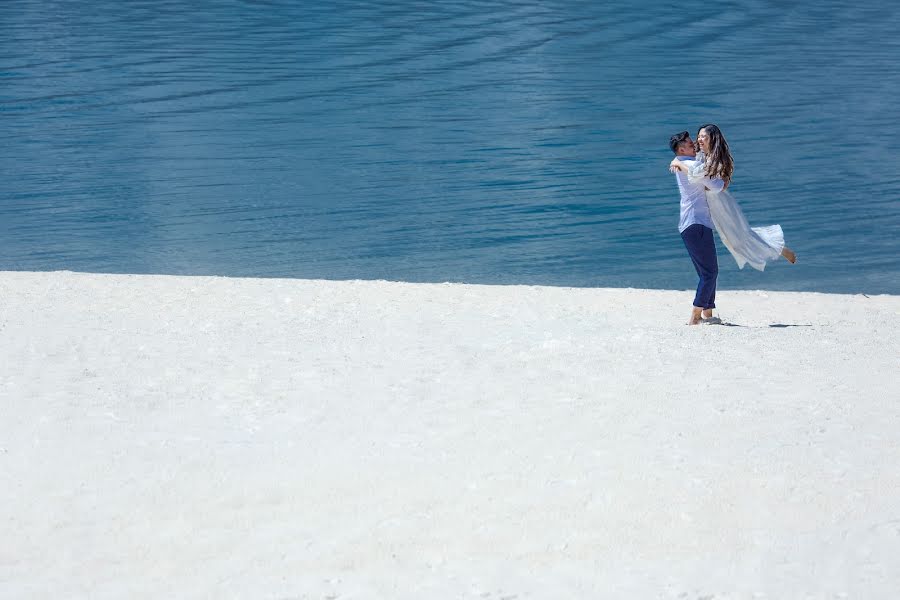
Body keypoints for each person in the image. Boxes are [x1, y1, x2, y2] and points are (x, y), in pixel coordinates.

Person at [670, 124, 797, 274]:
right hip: (708, 204)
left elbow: (698, 174)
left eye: (704, 136)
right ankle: (775, 248)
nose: (699, 139)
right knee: (731, 240)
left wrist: (677, 162)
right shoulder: (698, 154)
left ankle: (778, 248)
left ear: (712, 139)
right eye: (699, 136)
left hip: (719, 202)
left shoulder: (714, 159)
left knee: (739, 236)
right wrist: (677, 159)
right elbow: (685, 155)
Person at [669, 130, 720, 325]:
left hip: (691, 224)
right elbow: (714, 185)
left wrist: (676, 160)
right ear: (682, 149)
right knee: (710, 272)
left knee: (705, 272)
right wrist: (723, 182)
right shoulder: (690, 165)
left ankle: (708, 313)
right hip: (696, 223)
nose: (695, 145)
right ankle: (695, 316)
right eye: (691, 145)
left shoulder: (685, 162)